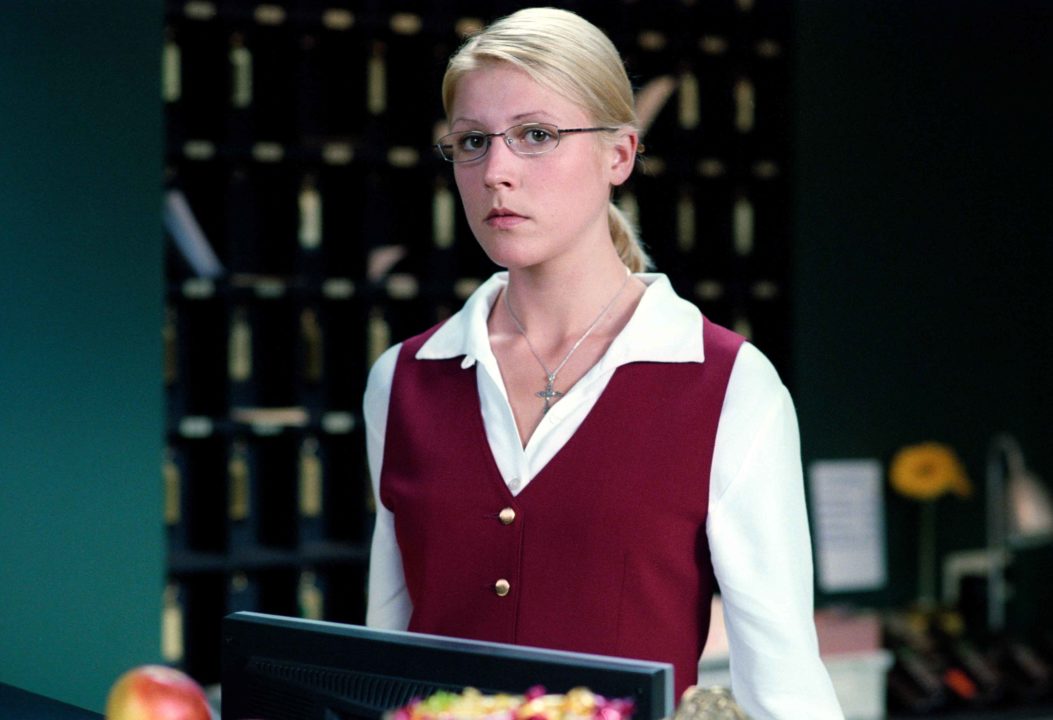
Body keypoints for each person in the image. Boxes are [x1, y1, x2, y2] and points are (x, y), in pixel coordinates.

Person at [363, 7, 843, 719]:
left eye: (536, 135)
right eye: (472, 141)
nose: (495, 172)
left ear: (619, 155)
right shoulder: (403, 379)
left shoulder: (730, 385)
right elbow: (381, 659)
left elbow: (783, 687)